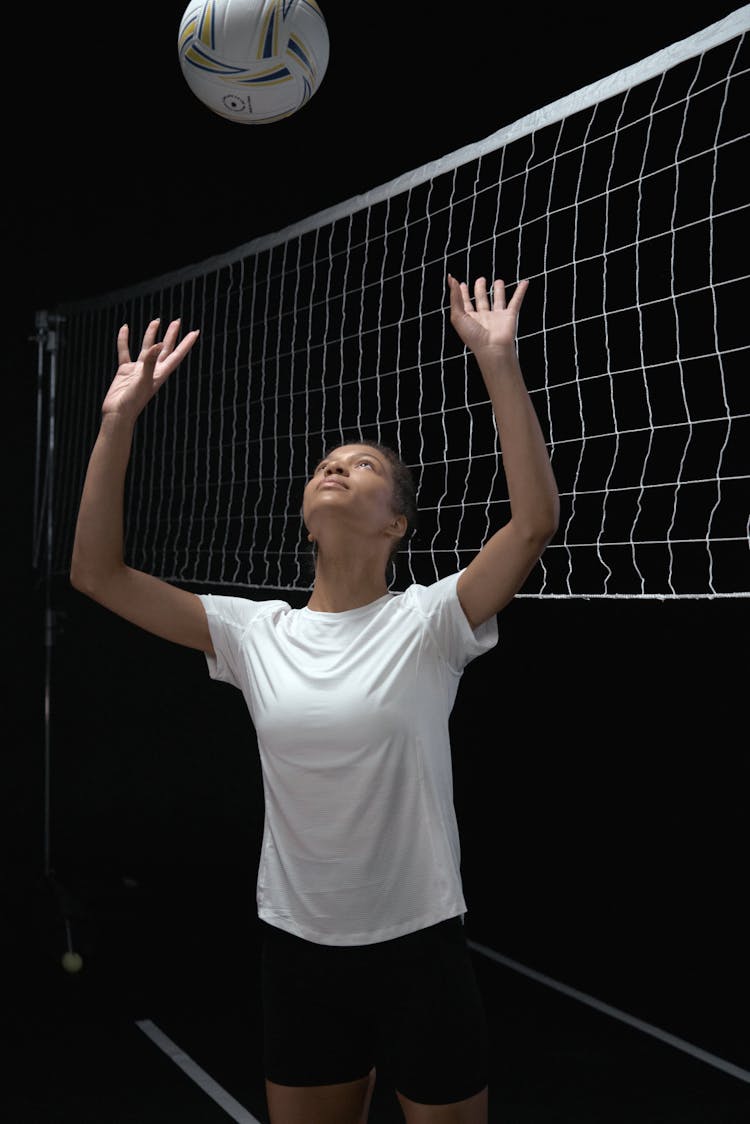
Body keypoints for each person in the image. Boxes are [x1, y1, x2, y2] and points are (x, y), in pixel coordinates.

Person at [70, 273, 559, 1124]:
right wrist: (117, 424)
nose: (338, 466)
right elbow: (96, 575)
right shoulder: (256, 633)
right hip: (300, 954)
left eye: (363, 466)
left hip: (419, 948)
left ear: (395, 524)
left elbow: (531, 524)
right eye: (329, 464)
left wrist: (499, 365)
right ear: (306, 513)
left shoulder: (429, 622)